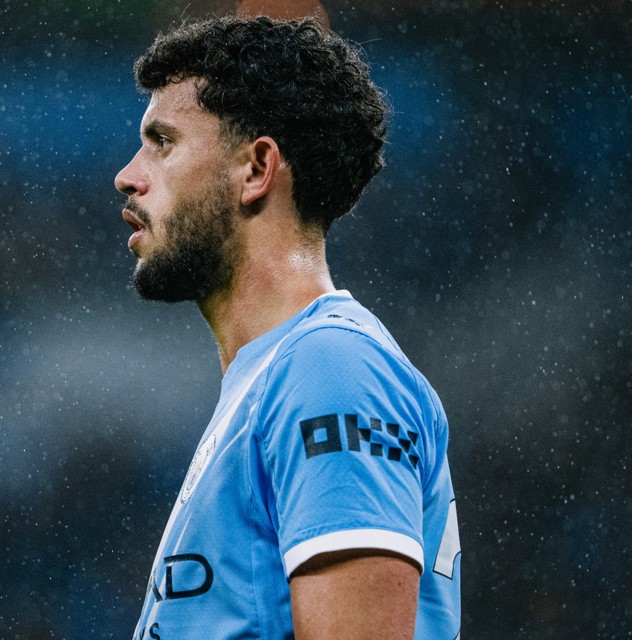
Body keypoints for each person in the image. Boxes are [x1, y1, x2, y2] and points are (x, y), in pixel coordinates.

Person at [114, 16, 461, 640]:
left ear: (256, 169)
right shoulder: (276, 375)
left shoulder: (329, 369)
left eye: (162, 141)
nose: (129, 175)